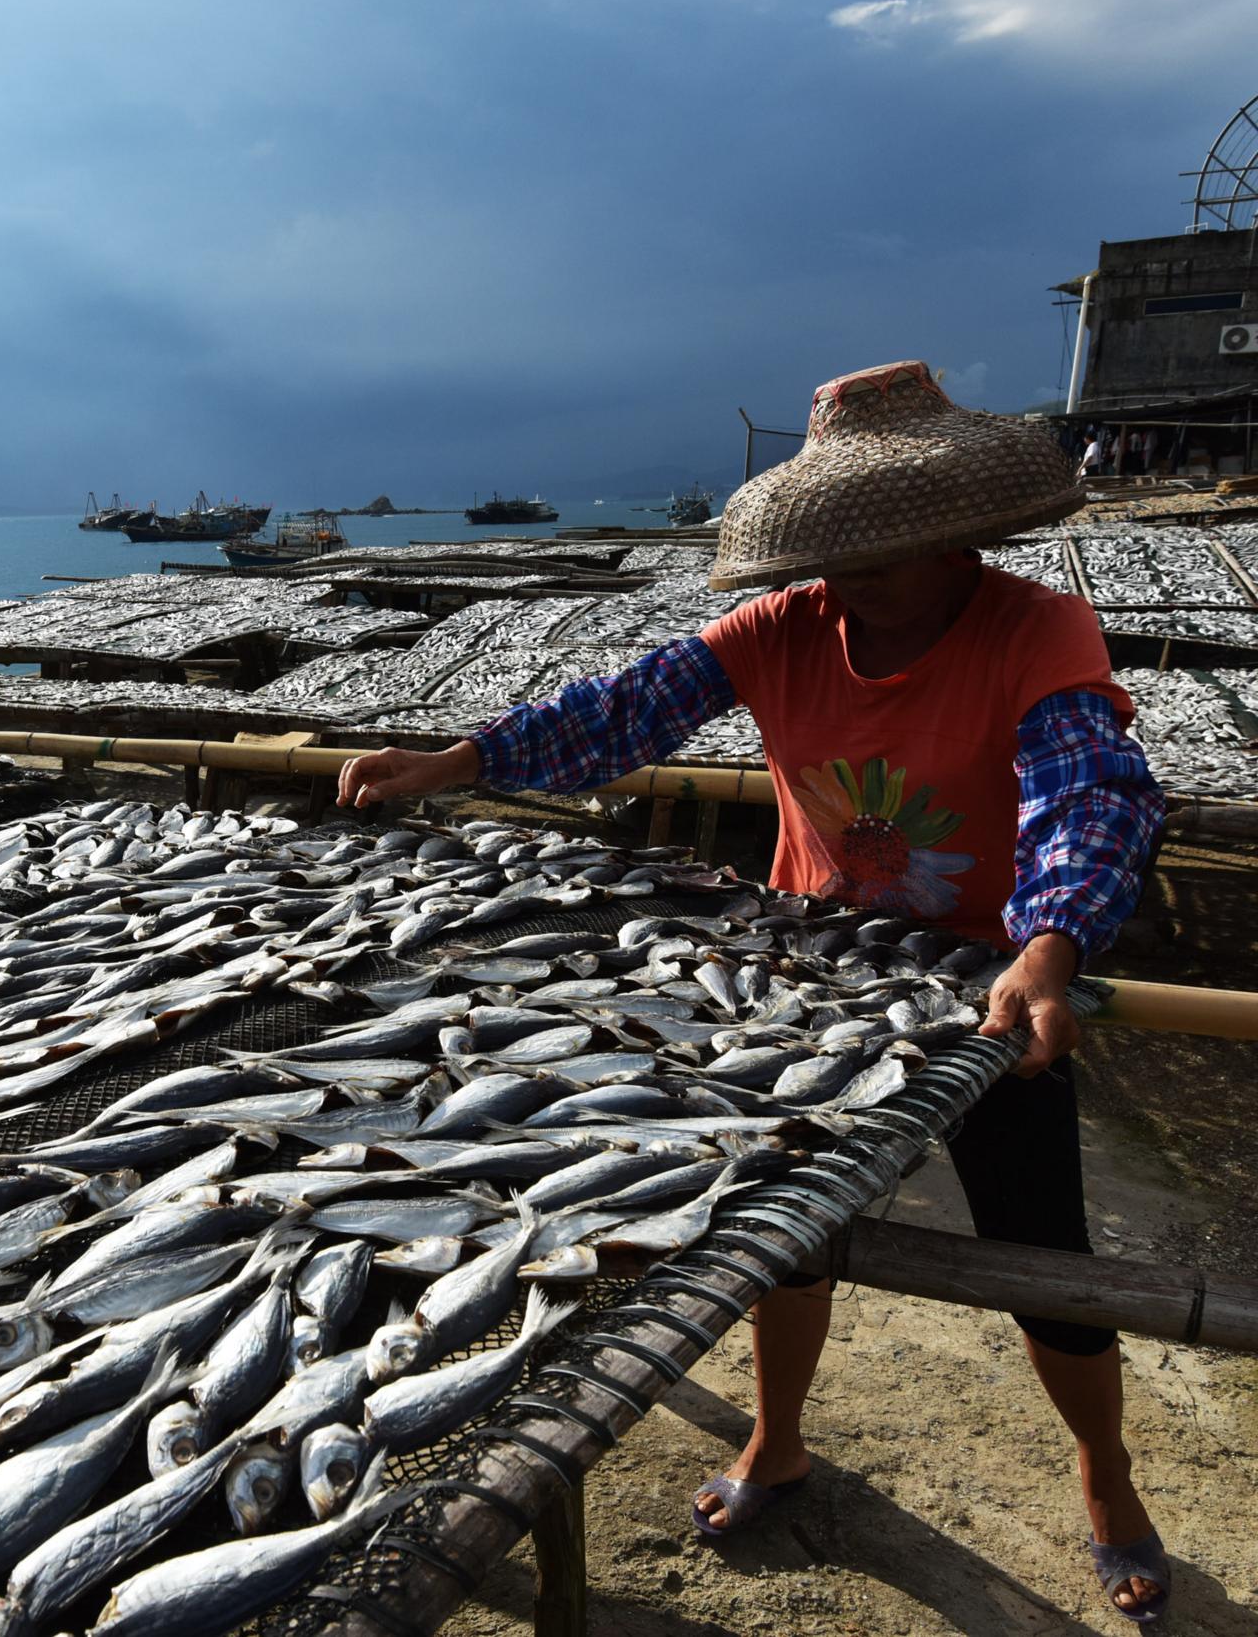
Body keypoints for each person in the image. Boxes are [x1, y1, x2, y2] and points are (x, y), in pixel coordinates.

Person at [335, 360, 1170, 1623]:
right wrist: (455, 759)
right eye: (829, 551)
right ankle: (777, 1437)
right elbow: (620, 713)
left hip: (984, 984)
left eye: (879, 547)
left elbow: (1087, 790)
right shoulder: (772, 632)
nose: (847, 573)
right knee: (781, 1230)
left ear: (956, 534)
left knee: (1041, 1251)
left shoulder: (1033, 626)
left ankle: (1104, 1473)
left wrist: (1050, 942)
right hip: (810, 979)